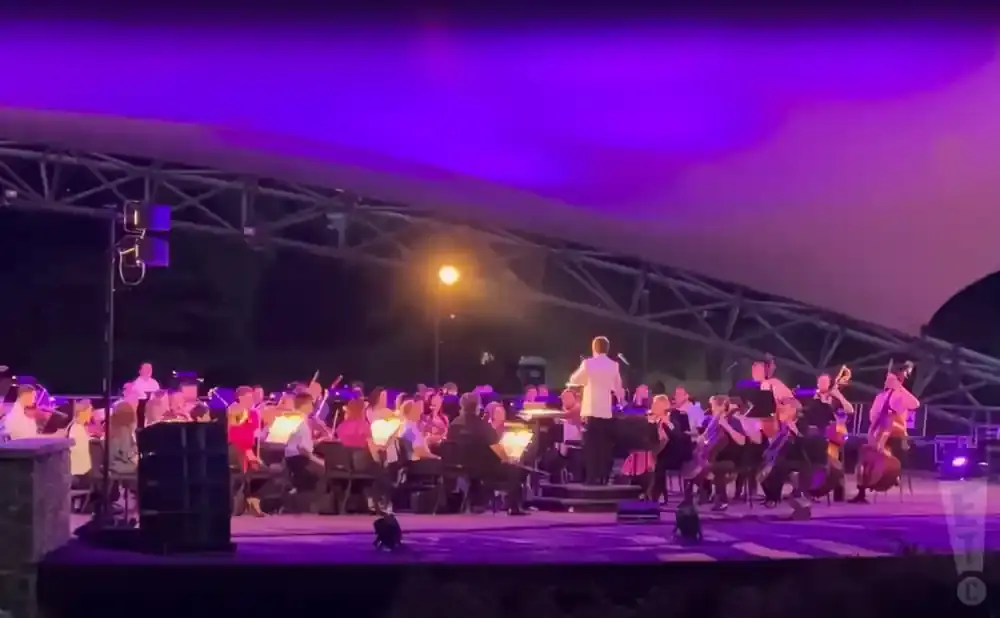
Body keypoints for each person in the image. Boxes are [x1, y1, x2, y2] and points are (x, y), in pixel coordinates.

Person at [850, 364, 919, 504]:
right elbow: (873, 416)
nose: (887, 381)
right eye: (887, 379)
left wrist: (899, 388)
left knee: (890, 421)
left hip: (897, 434)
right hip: (881, 432)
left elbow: (915, 404)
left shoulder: (901, 395)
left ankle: (892, 473)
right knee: (865, 451)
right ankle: (862, 490)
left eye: (890, 379)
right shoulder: (880, 397)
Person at [448, 392, 527, 515]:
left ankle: (477, 503)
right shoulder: (483, 426)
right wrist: (508, 459)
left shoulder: (454, 424)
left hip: (460, 466)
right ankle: (513, 507)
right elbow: (497, 448)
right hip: (484, 468)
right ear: (478, 407)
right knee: (514, 470)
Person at [569, 336, 624, 485]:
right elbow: (618, 388)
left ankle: (591, 478)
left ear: (594, 348)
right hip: (606, 412)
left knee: (590, 447)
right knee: (604, 447)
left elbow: (574, 380)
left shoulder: (588, 363)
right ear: (607, 349)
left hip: (591, 411)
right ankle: (603, 478)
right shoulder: (614, 365)